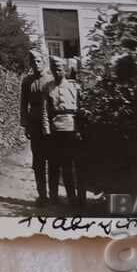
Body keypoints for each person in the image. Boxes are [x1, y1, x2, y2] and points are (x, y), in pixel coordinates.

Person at [43, 56, 85, 207]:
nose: (57, 72)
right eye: (54, 69)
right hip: (54, 130)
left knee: (68, 165)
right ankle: (53, 196)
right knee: (53, 165)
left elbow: (80, 110)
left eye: (60, 69)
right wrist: (47, 130)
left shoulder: (74, 87)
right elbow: (45, 112)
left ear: (65, 71)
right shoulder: (48, 87)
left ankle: (71, 198)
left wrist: (79, 129)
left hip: (70, 128)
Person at [19, 50, 51, 206]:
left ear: (43, 61)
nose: (36, 64)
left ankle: (54, 195)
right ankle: (42, 195)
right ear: (30, 64)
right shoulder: (27, 81)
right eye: (33, 62)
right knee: (38, 160)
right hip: (34, 123)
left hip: (51, 124)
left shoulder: (51, 79)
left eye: (39, 61)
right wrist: (25, 125)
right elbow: (23, 104)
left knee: (52, 158)